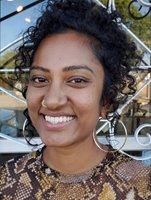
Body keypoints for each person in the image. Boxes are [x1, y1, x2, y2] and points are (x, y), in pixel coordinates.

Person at [0, 0, 150, 199]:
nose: (52, 100)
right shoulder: (6, 183)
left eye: (77, 80)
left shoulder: (142, 186)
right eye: (40, 79)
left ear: (106, 99)